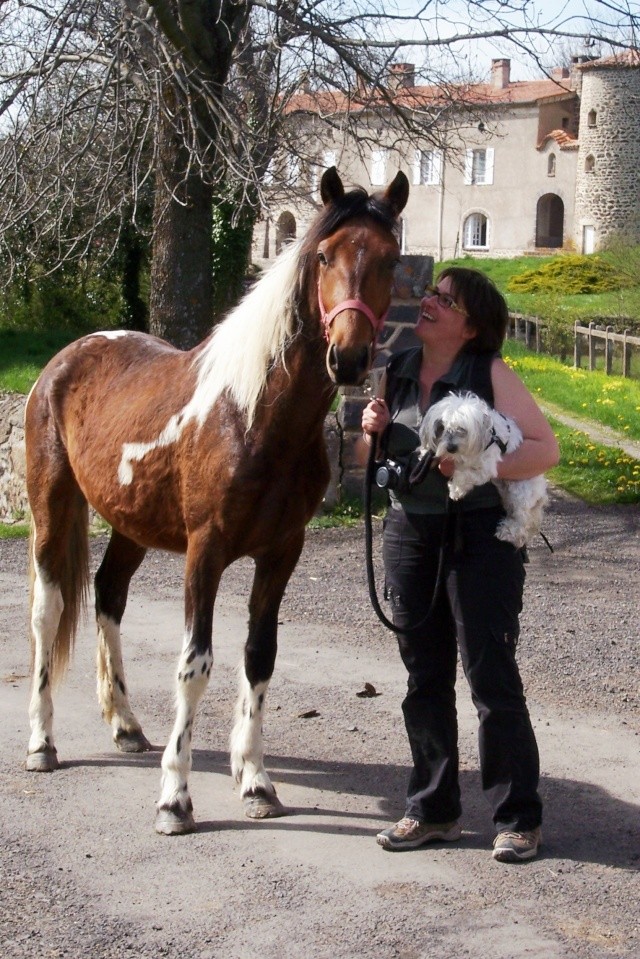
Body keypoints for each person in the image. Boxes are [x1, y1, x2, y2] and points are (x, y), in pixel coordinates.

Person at [360, 267, 559, 863]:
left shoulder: (489, 374)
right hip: (410, 534)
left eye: (443, 300)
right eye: (431, 293)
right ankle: (432, 809)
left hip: (479, 537)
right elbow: (371, 463)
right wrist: (369, 435)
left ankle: (518, 817)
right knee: (424, 678)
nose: (428, 302)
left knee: (490, 677)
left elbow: (546, 449)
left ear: (470, 326)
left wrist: (481, 469)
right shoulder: (396, 371)